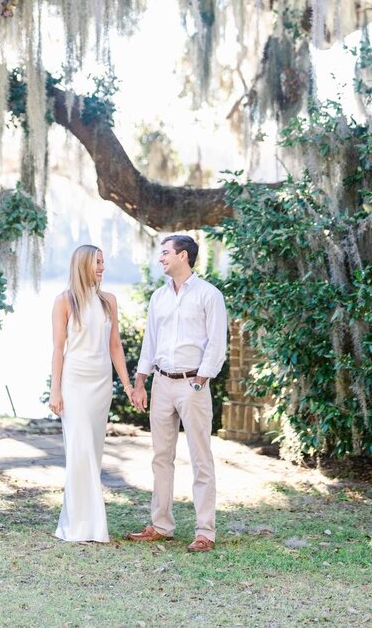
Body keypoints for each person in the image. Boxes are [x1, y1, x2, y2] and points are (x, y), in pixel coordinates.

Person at [126, 233, 228, 553]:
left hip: (191, 384)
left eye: (166, 252)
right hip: (161, 382)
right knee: (161, 457)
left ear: (183, 256)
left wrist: (200, 380)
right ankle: (161, 525)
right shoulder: (159, 297)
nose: (161, 258)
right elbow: (150, 342)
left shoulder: (209, 295)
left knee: (200, 458)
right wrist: (141, 381)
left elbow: (217, 343)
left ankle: (205, 532)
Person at [49, 244, 134, 543]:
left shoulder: (109, 301)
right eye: (97, 262)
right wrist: (54, 390)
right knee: (79, 451)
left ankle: (86, 523)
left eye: (103, 262)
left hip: (101, 385)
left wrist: (127, 384)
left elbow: (115, 347)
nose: (102, 267)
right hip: (74, 384)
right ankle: (82, 525)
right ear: (83, 265)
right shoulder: (64, 302)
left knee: (93, 453)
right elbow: (58, 349)